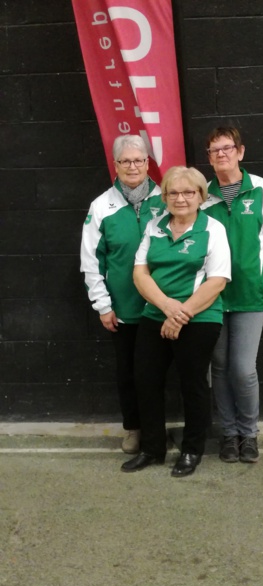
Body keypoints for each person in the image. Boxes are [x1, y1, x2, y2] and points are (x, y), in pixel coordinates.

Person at [121, 166, 231, 477]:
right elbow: (140, 273)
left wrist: (181, 315)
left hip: (200, 317)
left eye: (188, 192)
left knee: (192, 383)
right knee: (145, 381)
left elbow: (218, 281)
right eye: (173, 193)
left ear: (200, 196)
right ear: (165, 197)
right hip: (155, 314)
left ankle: (192, 450)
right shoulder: (155, 226)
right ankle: (152, 450)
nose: (180, 198)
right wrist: (167, 307)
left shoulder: (214, 229)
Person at [201, 126, 263, 464]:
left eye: (227, 148)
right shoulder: (202, 194)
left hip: (251, 295)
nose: (221, 155)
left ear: (240, 152)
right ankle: (228, 434)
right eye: (214, 151)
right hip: (211, 296)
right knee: (219, 366)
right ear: (208, 158)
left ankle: (249, 434)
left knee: (242, 368)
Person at [80, 135, 165, 453]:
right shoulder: (102, 206)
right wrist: (103, 305)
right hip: (124, 311)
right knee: (128, 373)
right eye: (125, 161)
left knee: (159, 373)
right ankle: (133, 428)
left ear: (148, 163)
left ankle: (157, 430)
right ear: (115, 165)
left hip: (163, 308)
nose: (133, 166)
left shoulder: (168, 199)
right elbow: (91, 261)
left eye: (139, 160)